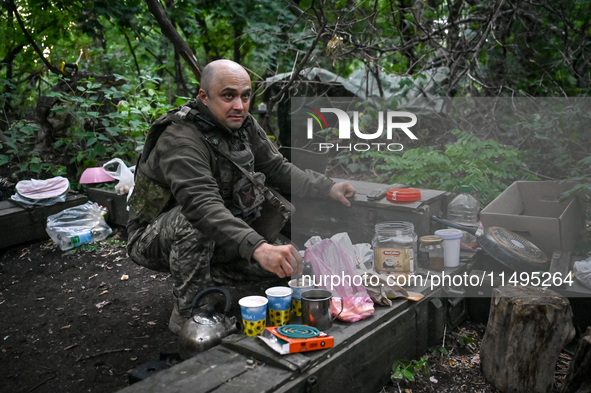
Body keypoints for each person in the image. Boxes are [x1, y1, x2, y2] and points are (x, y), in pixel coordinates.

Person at [126, 59, 356, 334]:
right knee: (191, 222)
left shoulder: (242, 125)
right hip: (155, 237)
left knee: (295, 268)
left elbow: (276, 167)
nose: (239, 105)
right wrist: (259, 248)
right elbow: (202, 207)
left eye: (245, 95)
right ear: (204, 97)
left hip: (222, 231)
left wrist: (326, 187)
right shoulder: (180, 139)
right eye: (228, 96)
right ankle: (189, 313)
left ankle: (216, 271)